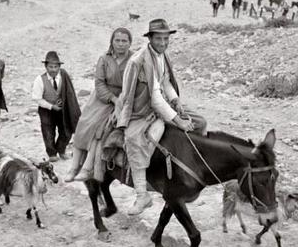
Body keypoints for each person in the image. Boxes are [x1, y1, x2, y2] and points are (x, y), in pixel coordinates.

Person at [116, 18, 207, 215]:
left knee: (200, 122)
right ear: (150, 38)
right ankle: (142, 195)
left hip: (161, 105)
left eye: (166, 38)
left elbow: (165, 82)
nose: (163, 43)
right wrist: (177, 120)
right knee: (134, 139)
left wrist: (176, 101)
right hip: (140, 109)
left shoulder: (161, 56)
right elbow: (154, 97)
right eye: (159, 38)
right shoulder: (139, 61)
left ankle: (188, 169)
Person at [65, 27, 133, 182]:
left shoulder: (134, 60)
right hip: (102, 98)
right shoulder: (104, 59)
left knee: (101, 128)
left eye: (124, 41)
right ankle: (73, 166)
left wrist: (120, 101)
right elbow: (99, 83)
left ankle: (87, 167)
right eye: (117, 40)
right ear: (112, 41)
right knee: (83, 124)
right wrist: (112, 99)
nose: (121, 44)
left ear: (130, 43)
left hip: (123, 99)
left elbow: (132, 84)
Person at [32, 51, 80, 162]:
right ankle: (52, 153)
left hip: (63, 110)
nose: (53, 69)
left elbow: (70, 93)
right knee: (48, 131)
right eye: (50, 67)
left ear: (59, 67)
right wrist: (51, 106)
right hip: (46, 110)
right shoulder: (40, 80)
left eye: (55, 67)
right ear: (45, 66)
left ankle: (61, 149)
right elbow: (37, 98)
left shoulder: (64, 77)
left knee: (66, 129)